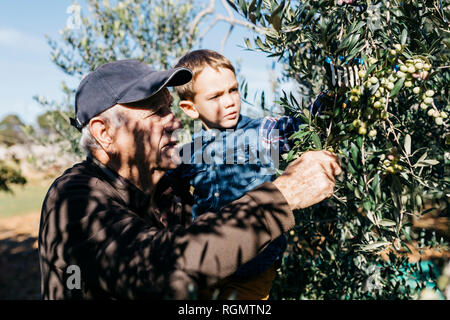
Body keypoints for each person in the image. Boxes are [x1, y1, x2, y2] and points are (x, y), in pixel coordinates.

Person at [38, 59, 342, 299]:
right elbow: (162, 271)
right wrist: (282, 196)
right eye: (156, 112)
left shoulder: (167, 184)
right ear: (105, 133)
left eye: (169, 108)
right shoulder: (73, 199)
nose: (173, 120)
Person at [168, 49, 331, 299]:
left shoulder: (263, 133)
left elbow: (302, 124)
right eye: (215, 96)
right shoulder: (189, 151)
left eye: (233, 90)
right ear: (190, 108)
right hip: (207, 266)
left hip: (253, 268)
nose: (229, 101)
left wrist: (332, 95)